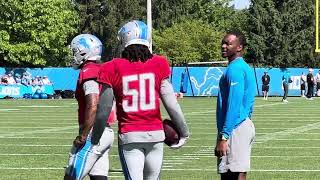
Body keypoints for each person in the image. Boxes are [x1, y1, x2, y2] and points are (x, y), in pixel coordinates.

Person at [91, 20, 190, 180]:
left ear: (124, 40)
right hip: (156, 135)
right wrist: (184, 132)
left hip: (130, 135)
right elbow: (172, 103)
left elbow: (104, 109)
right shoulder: (159, 63)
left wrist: (95, 139)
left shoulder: (111, 67)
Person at [64, 34, 114, 180]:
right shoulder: (102, 69)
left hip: (94, 132)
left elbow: (93, 104)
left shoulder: (89, 71)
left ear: (84, 52)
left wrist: (83, 135)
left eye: (75, 51)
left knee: (71, 176)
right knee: (98, 177)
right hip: (106, 130)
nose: (73, 55)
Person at [215, 31, 255, 180]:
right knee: (232, 172)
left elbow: (234, 103)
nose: (224, 46)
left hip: (235, 127)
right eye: (223, 43)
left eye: (228, 43)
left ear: (239, 47)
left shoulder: (235, 69)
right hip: (239, 124)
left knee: (233, 173)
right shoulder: (242, 67)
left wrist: (224, 136)